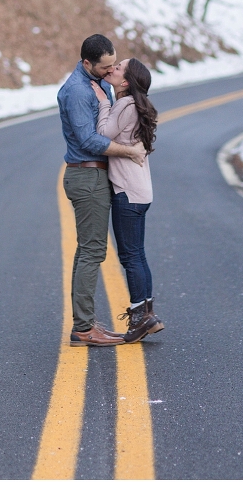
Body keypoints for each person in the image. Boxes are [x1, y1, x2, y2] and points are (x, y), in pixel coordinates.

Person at [57, 34, 147, 347]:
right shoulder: (78, 91)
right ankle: (83, 329)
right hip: (87, 177)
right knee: (93, 251)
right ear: (87, 63)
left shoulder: (98, 84)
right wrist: (130, 152)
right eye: (105, 67)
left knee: (88, 251)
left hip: (96, 177)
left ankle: (85, 323)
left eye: (113, 65)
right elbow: (88, 140)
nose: (110, 72)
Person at [93, 58, 163, 343]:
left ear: (125, 83)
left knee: (130, 256)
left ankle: (141, 317)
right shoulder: (138, 105)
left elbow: (102, 136)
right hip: (141, 191)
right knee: (138, 254)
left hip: (127, 192)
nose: (113, 68)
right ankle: (147, 313)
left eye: (119, 68)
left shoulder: (124, 105)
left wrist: (103, 104)